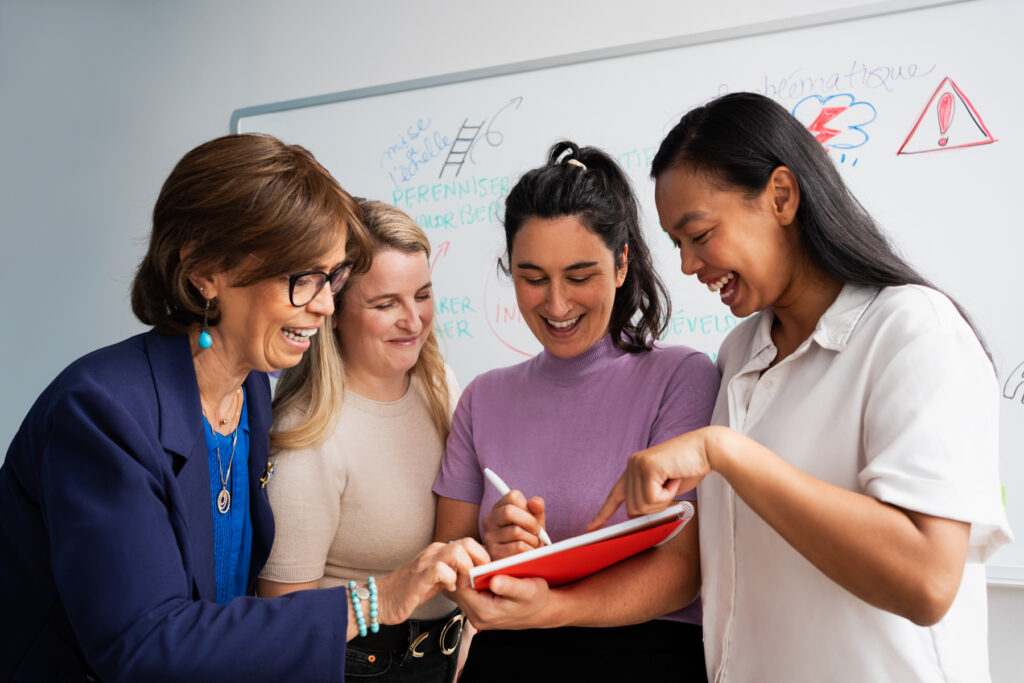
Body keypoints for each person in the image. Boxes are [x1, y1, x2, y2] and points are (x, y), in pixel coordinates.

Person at [0, 133, 487, 682]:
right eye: (302, 279)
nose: (325, 305)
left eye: (332, 279)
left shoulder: (251, 392)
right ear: (205, 271)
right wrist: (374, 601)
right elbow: (144, 646)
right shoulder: (100, 412)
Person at [589, 92, 1014, 682]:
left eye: (700, 234)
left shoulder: (912, 330)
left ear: (781, 197)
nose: (688, 265)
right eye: (677, 243)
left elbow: (927, 580)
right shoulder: (740, 354)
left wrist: (727, 452)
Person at [433, 141, 720, 682]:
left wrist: (553, 608)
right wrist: (489, 553)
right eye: (533, 278)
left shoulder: (683, 378)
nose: (557, 305)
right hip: (509, 657)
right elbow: (449, 556)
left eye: (580, 276)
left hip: (647, 655)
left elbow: (682, 572)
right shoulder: (482, 398)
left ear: (621, 264)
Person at [257, 199, 466, 682]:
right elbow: (286, 623)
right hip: (359, 668)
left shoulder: (439, 385)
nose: (413, 321)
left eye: (422, 295)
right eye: (385, 303)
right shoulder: (308, 436)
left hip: (439, 657)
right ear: (332, 310)